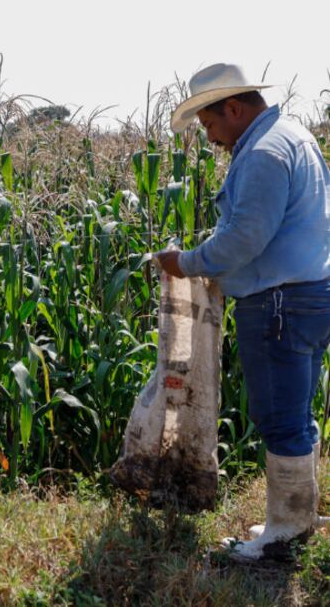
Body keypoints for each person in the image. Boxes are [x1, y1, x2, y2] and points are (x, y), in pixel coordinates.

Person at [158, 63, 330, 561]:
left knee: (279, 416)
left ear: (234, 109)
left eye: (211, 125)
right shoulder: (294, 135)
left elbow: (245, 237)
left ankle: (285, 532)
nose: (211, 139)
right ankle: (297, 515)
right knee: (296, 412)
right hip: (309, 295)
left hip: (279, 303)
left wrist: (185, 262)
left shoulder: (262, 153)